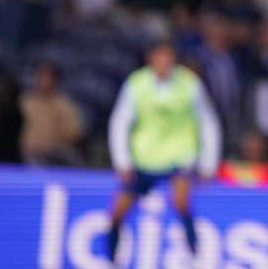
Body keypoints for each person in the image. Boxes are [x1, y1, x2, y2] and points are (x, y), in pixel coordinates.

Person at [107, 41, 221, 262]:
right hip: (144, 158)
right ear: (151, 59)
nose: (164, 63)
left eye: (168, 57)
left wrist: (208, 163)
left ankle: (194, 256)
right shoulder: (136, 84)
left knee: (181, 202)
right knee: (118, 210)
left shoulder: (189, 83)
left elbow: (208, 122)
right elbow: (120, 122)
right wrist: (122, 160)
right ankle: (110, 258)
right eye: (160, 57)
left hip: (180, 156)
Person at [20, 60, 84, 165]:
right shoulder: (24, 103)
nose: (44, 81)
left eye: (48, 77)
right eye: (41, 76)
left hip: (55, 150)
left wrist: (50, 145)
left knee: (73, 157)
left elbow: (74, 133)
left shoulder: (64, 104)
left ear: (55, 80)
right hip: (28, 150)